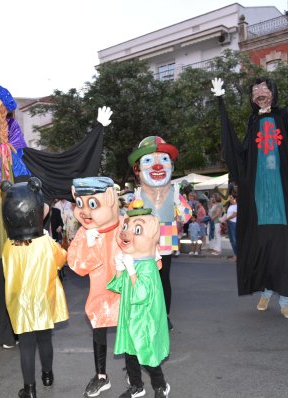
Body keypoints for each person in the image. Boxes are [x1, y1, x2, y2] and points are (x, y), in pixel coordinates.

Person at [0, 82, 111, 347]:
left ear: (4, 103)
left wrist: (97, 130)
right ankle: (7, 329)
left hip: (16, 209)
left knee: (22, 273)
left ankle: (28, 325)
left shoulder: (15, 135)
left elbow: (61, 164)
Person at [214, 74, 288, 319]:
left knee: (284, 250)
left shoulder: (282, 116)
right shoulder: (252, 121)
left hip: (282, 197)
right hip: (258, 199)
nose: (259, 92)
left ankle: (286, 301)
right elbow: (241, 151)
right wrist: (221, 104)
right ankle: (266, 292)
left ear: (273, 92)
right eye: (255, 89)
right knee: (262, 247)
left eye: (263, 88)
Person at [1, 178, 68, 398]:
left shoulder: (8, 247)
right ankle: (47, 375)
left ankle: (29, 389)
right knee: (45, 339)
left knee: (26, 346)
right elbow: (61, 260)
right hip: (42, 298)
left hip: (20, 301)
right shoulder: (45, 243)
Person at [128, 136, 192, 331]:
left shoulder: (174, 193)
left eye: (163, 160)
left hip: (164, 243)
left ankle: (164, 315)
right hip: (143, 245)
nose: (157, 167)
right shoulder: (137, 195)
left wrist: (179, 218)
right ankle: (147, 313)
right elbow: (129, 220)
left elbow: (187, 214)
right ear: (138, 170)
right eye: (149, 161)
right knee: (145, 279)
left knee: (163, 279)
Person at [67, 177, 123, 397]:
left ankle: (134, 373)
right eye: (79, 204)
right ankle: (101, 376)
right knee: (99, 330)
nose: (84, 212)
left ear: (110, 199)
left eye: (92, 204)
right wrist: (90, 245)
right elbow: (77, 266)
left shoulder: (125, 225)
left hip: (126, 292)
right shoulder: (85, 233)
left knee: (131, 329)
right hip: (100, 294)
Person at [108, 202, 170, 398]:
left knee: (147, 354)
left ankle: (160, 386)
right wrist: (120, 267)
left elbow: (142, 294)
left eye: (136, 230)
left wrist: (132, 270)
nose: (126, 233)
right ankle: (136, 386)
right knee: (130, 354)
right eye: (125, 228)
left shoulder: (148, 266)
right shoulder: (132, 260)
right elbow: (118, 287)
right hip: (129, 318)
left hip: (144, 320)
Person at [223, 194, 238, 261]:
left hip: (233, 223)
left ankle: (237, 255)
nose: (230, 199)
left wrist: (226, 219)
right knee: (232, 240)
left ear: (235, 198)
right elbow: (228, 214)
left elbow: (234, 215)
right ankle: (235, 254)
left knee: (234, 240)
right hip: (230, 223)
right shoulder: (231, 206)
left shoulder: (237, 206)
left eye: (231, 198)